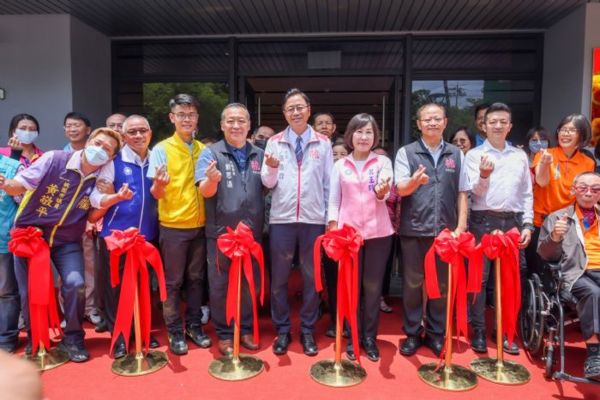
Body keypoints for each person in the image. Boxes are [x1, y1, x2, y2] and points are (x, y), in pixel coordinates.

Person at [0, 128, 124, 362]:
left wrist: (112, 199)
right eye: (98, 143)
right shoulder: (55, 159)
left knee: (76, 284)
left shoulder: (102, 178)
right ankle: (37, 339)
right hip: (32, 236)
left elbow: (92, 215)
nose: (100, 150)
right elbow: (22, 183)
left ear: (111, 157)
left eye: (107, 149)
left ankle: (73, 338)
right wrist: (6, 184)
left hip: (67, 240)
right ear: (89, 141)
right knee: (30, 291)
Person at [261, 88, 333, 356]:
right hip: (282, 219)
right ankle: (282, 329)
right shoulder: (275, 142)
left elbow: (328, 184)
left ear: (308, 110)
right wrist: (271, 167)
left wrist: (329, 218)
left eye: (300, 107)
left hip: (313, 219)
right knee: (279, 278)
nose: (295, 112)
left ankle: (307, 330)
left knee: (311, 277)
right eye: (290, 108)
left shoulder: (323, 143)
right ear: (284, 113)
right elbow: (267, 183)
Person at [395, 103, 469, 357]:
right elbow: (400, 189)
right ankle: (412, 333)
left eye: (437, 119)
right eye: (427, 119)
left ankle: (436, 334)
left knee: (442, 286)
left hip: (446, 233)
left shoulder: (456, 154)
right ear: (419, 124)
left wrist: (460, 227)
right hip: (414, 229)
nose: (432, 123)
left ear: (445, 122)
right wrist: (414, 182)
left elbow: (462, 192)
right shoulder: (407, 152)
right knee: (413, 284)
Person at [464, 102, 534, 355]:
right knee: (480, 279)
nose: (497, 126)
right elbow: (473, 193)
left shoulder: (519, 156)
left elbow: (527, 193)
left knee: (508, 280)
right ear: (484, 126)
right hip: (483, 221)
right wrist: (484, 175)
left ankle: (504, 330)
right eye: (492, 122)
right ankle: (479, 330)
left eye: (503, 122)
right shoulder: (474, 155)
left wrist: (528, 224)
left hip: (512, 223)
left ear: (510, 126)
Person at [89, 115, 160, 358]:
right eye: (132, 132)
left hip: (146, 237)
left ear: (150, 133)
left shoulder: (157, 160)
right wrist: (114, 197)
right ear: (124, 136)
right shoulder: (113, 162)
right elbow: (96, 198)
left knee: (143, 286)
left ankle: (142, 329)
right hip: (116, 237)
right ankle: (119, 335)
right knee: (116, 289)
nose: (138, 135)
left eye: (143, 130)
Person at [196, 103, 265, 356]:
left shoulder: (260, 154)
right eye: (230, 121)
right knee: (220, 285)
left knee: (249, 282)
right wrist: (212, 181)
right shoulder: (210, 153)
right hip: (221, 234)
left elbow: (267, 186)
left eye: (241, 121)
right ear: (222, 125)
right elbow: (204, 191)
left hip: (250, 233)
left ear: (249, 125)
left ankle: (244, 328)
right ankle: (224, 333)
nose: (236, 126)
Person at [147, 93, 211, 355]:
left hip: (200, 225)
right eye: (182, 114)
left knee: (196, 279)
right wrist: (159, 185)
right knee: (173, 282)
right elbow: (155, 193)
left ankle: (194, 326)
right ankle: (174, 330)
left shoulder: (203, 149)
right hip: (173, 226)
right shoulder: (161, 149)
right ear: (172, 118)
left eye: (191, 114)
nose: (187, 119)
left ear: (197, 118)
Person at [328, 113, 393, 362]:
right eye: (359, 131)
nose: (364, 137)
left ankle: (369, 338)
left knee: (372, 288)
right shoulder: (340, 165)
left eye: (369, 132)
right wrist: (333, 229)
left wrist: (381, 192)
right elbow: (334, 201)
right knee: (351, 288)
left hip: (378, 233)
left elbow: (385, 193)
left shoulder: (382, 162)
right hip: (348, 237)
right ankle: (352, 337)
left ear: (375, 137)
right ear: (350, 135)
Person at [537, 172, 600, 379]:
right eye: (583, 188)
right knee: (593, 293)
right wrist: (555, 236)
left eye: (595, 189)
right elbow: (546, 255)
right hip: (576, 273)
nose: (589, 193)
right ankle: (594, 357)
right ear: (573, 190)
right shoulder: (557, 218)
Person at [527, 116, 594, 276]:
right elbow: (541, 181)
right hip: (541, 222)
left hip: (568, 225)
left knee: (565, 270)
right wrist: (545, 163)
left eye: (571, 130)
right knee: (537, 271)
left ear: (582, 134)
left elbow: (586, 195)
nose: (565, 133)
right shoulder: (545, 154)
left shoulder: (587, 162)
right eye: (563, 129)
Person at [0, 152, 22, 353]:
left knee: (6, 291)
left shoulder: (13, 167)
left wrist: (8, 185)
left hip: (4, 240)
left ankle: (6, 338)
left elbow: (25, 201)